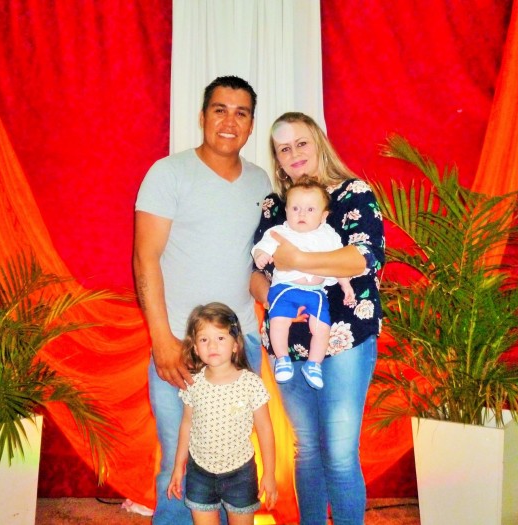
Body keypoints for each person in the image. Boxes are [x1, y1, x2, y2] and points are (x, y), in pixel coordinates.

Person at [133, 76, 272, 524]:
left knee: (235, 461)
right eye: (220, 109)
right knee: (178, 461)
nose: (230, 121)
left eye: (241, 112)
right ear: (202, 116)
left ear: (251, 124)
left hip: (242, 345)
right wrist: (162, 339)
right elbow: (145, 258)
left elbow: (258, 261)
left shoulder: (261, 182)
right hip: (180, 344)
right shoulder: (168, 173)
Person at [250, 112, 385, 525]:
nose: (294, 153)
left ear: (318, 143)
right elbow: (255, 273)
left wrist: (298, 260)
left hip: (346, 336)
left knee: (340, 452)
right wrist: (276, 299)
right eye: (283, 148)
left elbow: (365, 257)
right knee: (306, 448)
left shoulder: (354, 193)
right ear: (277, 159)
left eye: (301, 143)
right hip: (287, 342)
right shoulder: (275, 206)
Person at [167, 302, 278, 524]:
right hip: (200, 474)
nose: (212, 346)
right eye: (204, 340)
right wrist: (178, 466)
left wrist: (269, 473)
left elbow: (265, 429)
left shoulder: (250, 384)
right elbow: (186, 426)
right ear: (195, 348)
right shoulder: (193, 384)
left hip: (241, 474)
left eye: (220, 338)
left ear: (235, 345)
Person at [252, 176, 354, 389]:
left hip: (316, 292)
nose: (301, 214)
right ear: (286, 211)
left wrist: (346, 285)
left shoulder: (329, 236)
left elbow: (338, 262)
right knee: (279, 322)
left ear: (323, 215)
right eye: (295, 208)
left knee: (322, 328)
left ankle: (314, 364)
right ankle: (282, 359)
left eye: (310, 209)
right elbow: (262, 246)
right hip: (285, 290)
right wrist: (261, 255)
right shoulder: (280, 232)